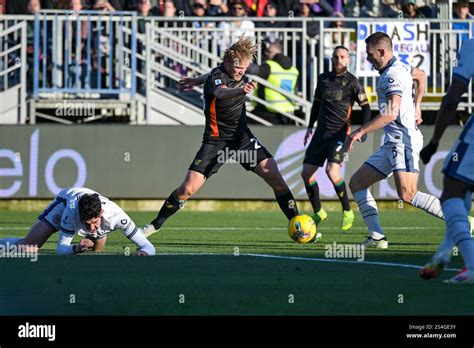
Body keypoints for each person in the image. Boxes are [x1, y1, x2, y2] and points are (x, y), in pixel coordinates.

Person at [141, 38, 300, 237]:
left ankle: (299, 225)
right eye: (239, 68)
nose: (242, 72)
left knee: (274, 176)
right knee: (187, 189)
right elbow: (221, 92)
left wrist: (195, 80)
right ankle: (154, 225)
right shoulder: (218, 76)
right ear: (227, 62)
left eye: (245, 68)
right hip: (216, 142)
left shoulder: (229, 70)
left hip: (242, 139)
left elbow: (210, 76)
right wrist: (240, 90)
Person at [347, 32, 447, 249]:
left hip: (404, 140)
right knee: (357, 183)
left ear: (381, 52)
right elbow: (421, 75)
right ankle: (377, 237)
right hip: (392, 142)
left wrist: (360, 131)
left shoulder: (392, 75)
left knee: (408, 194)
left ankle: (463, 223)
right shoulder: (402, 68)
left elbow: (391, 113)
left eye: (370, 54)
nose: (368, 58)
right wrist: (417, 104)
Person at [418, 38, 474, 284]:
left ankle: (472, 264)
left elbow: (452, 98)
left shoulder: (472, 45)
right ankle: (444, 252)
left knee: (452, 189)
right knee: (463, 192)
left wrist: (434, 142)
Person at [302, 46, 371, 231]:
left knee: (332, 172)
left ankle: (347, 211)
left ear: (348, 60)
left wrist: (362, 131)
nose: (338, 59)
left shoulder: (353, 82)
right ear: (331, 59)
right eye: (335, 56)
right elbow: (316, 104)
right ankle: (319, 212)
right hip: (319, 134)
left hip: (339, 135)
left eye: (342, 57)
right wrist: (310, 126)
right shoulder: (323, 78)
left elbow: (366, 107)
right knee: (306, 174)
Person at [0, 187, 155, 256]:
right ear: (79, 217)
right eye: (87, 224)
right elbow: (61, 250)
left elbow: (148, 246)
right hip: (65, 202)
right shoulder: (70, 212)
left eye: (94, 223)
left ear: (101, 213)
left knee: (96, 250)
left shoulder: (117, 216)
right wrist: (76, 248)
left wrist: (145, 253)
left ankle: (100, 235)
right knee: (29, 249)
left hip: (103, 219)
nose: (91, 227)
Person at [248, 40, 299, 125]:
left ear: (278, 53)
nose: (266, 53)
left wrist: (238, 62)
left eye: (269, 51)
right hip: (287, 112)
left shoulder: (269, 66)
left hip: (268, 109)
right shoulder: (294, 70)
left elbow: (252, 70)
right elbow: (295, 90)